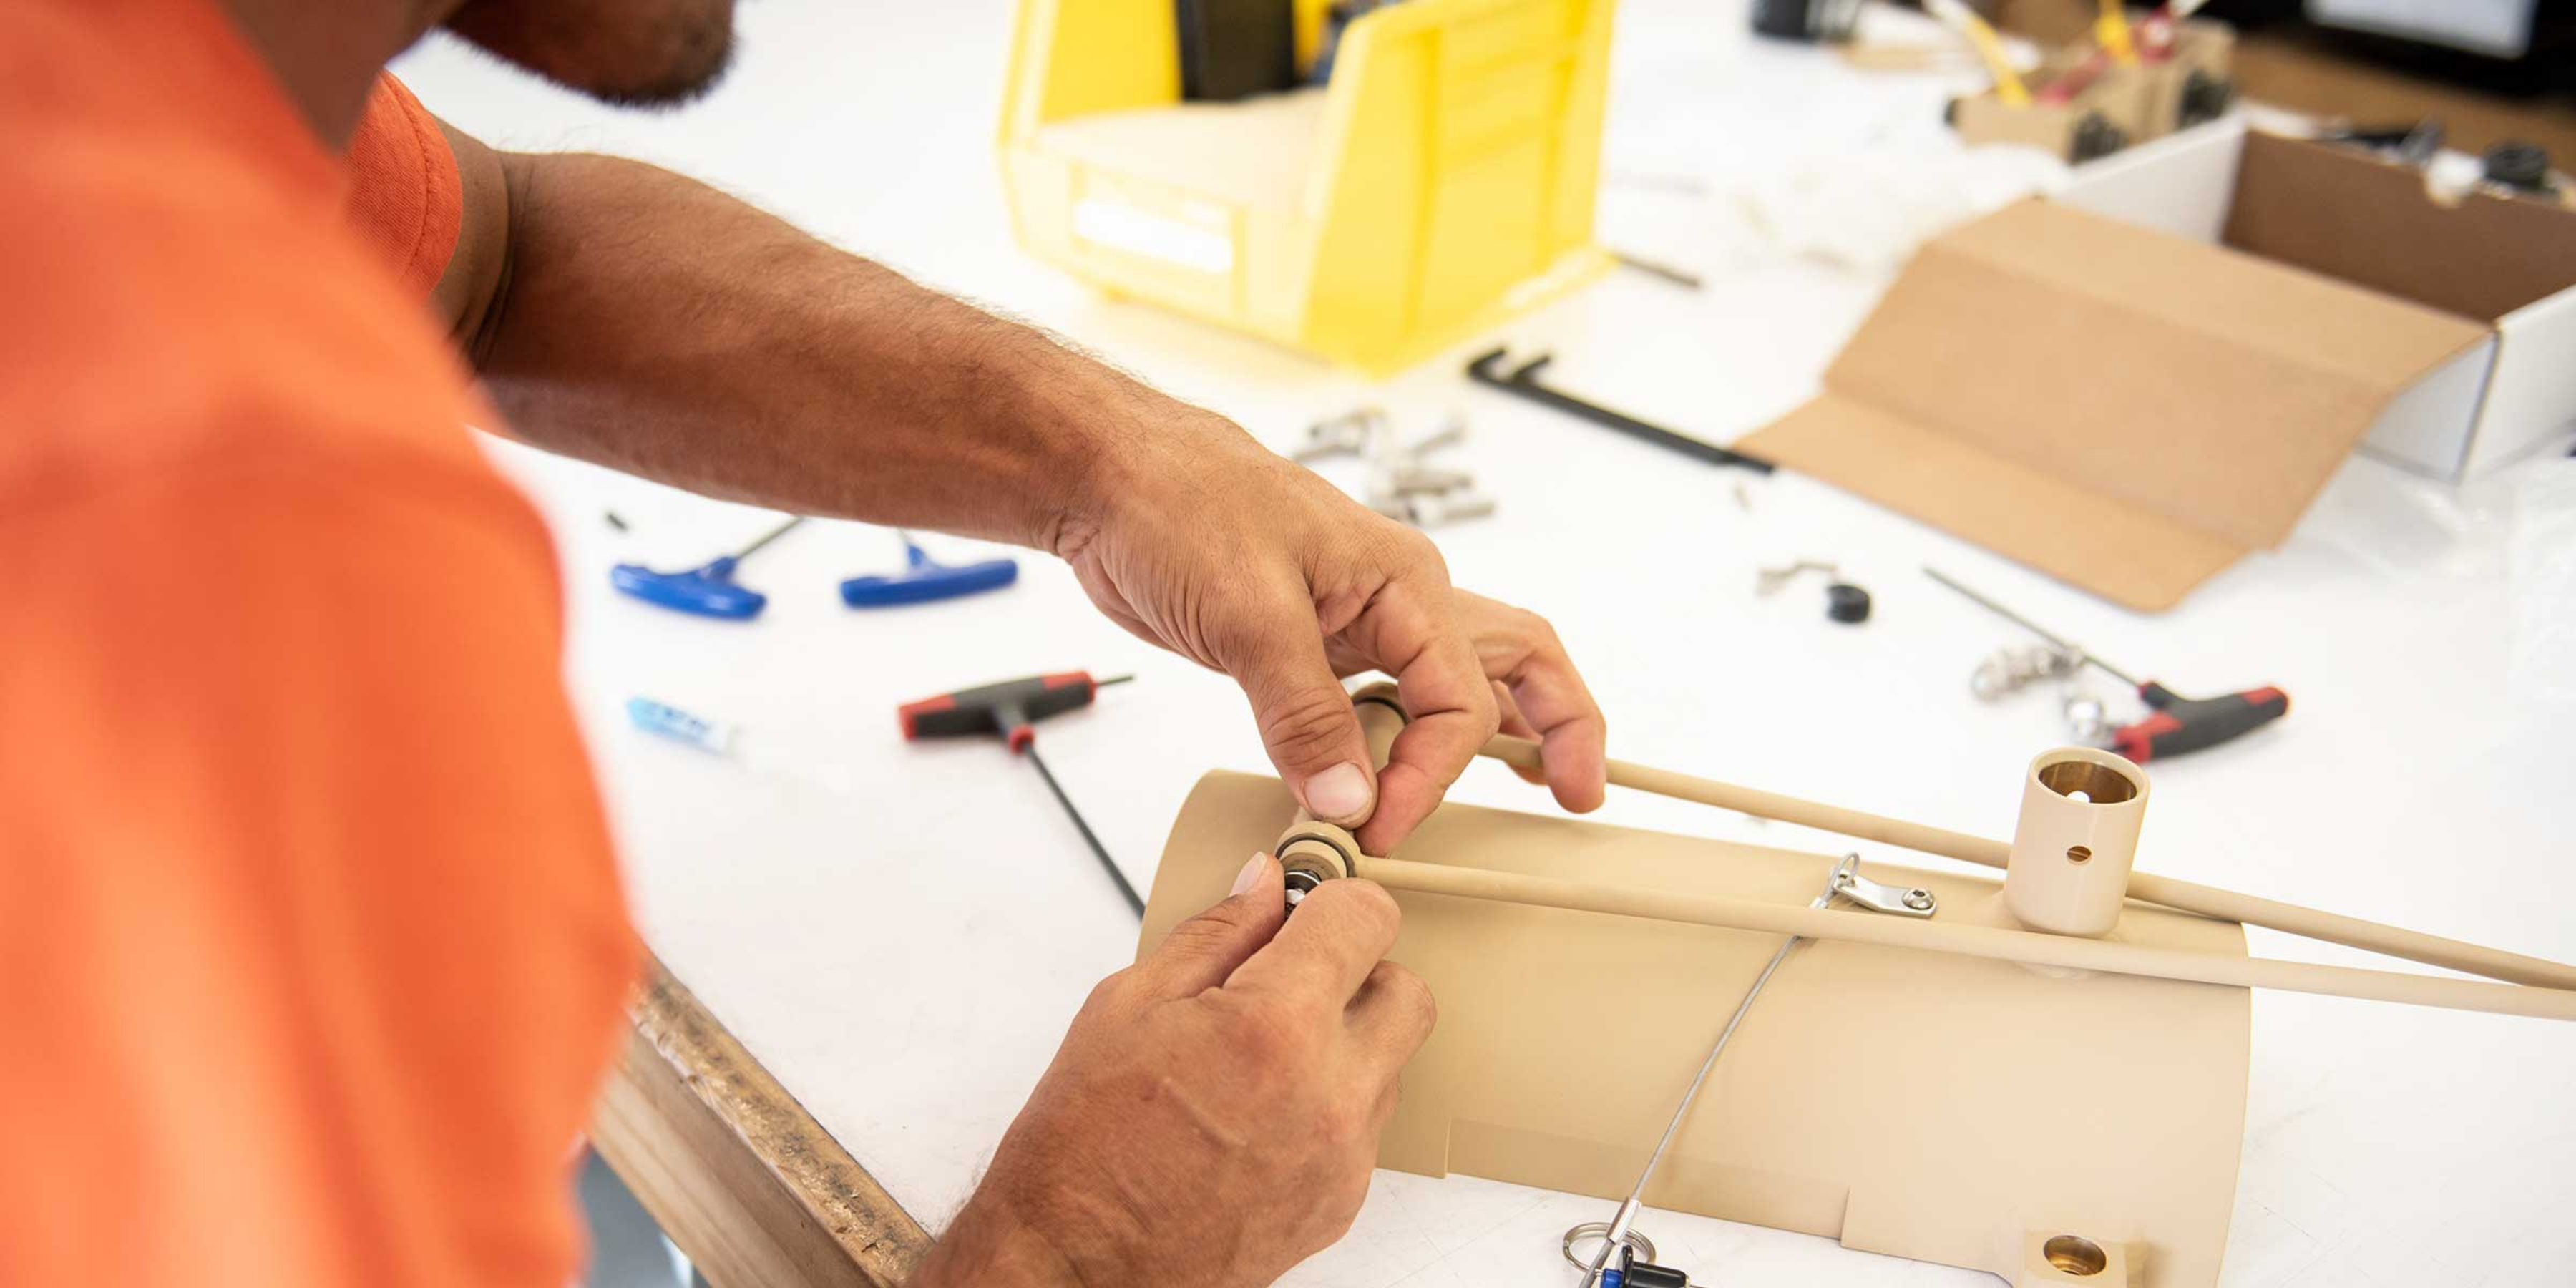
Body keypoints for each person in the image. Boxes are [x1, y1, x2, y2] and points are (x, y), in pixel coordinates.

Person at [2, 1, 1611, 1285]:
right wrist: (1085, 1253)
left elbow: (488, 255)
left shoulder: (129, 74)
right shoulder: (203, 519)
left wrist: (1118, 462)